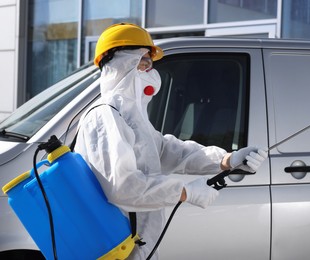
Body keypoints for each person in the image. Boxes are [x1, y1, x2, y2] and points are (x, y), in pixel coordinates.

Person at [74, 23, 268, 260]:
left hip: (136, 244)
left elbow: (167, 150)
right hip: (115, 247)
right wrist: (185, 191)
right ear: (119, 61)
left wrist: (226, 159)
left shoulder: (129, 115)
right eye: (143, 60)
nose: (149, 70)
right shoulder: (105, 116)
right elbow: (123, 187)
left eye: (149, 62)